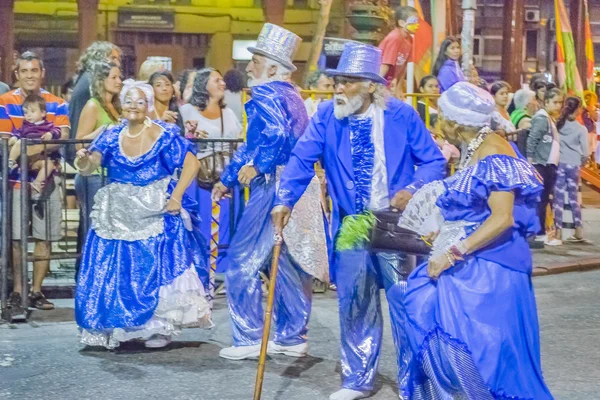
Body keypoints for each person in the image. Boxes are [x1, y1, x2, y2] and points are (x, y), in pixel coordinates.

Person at [273, 42, 446, 400]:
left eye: (348, 82)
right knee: (354, 300)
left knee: (404, 302)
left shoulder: (402, 114)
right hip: (352, 224)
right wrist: (284, 199)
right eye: (337, 81)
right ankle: (356, 379)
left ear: (370, 85)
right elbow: (302, 159)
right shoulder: (325, 116)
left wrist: (412, 188)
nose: (338, 88)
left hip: (394, 223)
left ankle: (416, 383)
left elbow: (433, 162)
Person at [399, 80, 554, 400]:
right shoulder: (475, 148)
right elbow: (479, 210)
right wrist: (444, 231)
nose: (437, 124)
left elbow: (502, 218)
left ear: (457, 123)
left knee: (490, 359)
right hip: (475, 259)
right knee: (431, 314)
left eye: (440, 117)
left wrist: (452, 252)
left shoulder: (496, 153)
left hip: (493, 268)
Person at [211, 23, 329, 361]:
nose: (248, 68)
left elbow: (270, 138)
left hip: (272, 185)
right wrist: (229, 177)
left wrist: (257, 167)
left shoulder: (265, 94)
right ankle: (292, 336)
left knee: (243, 260)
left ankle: (248, 335)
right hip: (297, 184)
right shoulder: (293, 95)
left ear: (273, 68)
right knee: (289, 262)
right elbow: (261, 143)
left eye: (256, 60)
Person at [74, 81, 211, 349]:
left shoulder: (164, 134)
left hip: (155, 206)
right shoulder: (111, 135)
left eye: (140, 102)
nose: (134, 107)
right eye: (129, 101)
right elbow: (90, 166)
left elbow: (191, 162)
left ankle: (157, 327)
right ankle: (116, 325)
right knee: (114, 266)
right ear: (121, 106)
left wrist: (177, 195)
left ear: (148, 106)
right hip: (118, 209)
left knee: (153, 265)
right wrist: (83, 159)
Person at [0, 51, 70, 312]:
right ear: (16, 74)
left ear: (42, 73)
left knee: (45, 236)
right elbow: (4, 142)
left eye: (34, 70)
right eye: (24, 71)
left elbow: (61, 138)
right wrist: (41, 149)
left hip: (47, 180)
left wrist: (25, 149)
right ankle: (18, 291)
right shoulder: (5, 102)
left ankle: (37, 290)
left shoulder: (58, 103)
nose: (30, 75)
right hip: (16, 181)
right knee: (17, 238)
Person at [179, 67, 243, 270]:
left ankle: (222, 265)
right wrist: (192, 136)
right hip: (200, 178)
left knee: (226, 221)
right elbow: (180, 143)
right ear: (203, 85)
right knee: (203, 221)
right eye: (217, 80)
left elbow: (238, 140)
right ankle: (200, 265)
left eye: (222, 80)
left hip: (225, 176)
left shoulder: (229, 113)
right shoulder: (187, 111)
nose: (222, 84)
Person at [74, 61, 122, 252]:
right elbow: (78, 142)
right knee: (95, 229)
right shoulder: (93, 106)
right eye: (114, 77)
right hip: (94, 176)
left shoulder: (116, 107)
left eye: (120, 77)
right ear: (101, 81)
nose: (119, 81)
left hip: (112, 177)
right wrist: (100, 132)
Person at [67, 41, 121, 164]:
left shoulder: (86, 78)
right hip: (85, 157)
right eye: (113, 58)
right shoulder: (90, 81)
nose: (117, 63)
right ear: (98, 57)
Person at [546, 97, 589, 246]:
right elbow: (585, 152)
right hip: (574, 164)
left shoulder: (557, 125)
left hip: (559, 163)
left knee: (558, 198)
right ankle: (578, 229)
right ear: (578, 110)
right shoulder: (581, 129)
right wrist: (580, 162)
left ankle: (558, 230)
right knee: (573, 198)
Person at [527, 88, 564, 242]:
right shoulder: (542, 118)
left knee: (544, 200)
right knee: (541, 200)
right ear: (546, 102)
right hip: (541, 165)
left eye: (560, 103)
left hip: (547, 164)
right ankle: (539, 233)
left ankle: (541, 232)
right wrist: (530, 163)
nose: (558, 106)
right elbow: (532, 140)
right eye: (555, 102)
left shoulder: (548, 118)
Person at [7, 95, 62, 195]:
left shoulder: (48, 126)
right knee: (19, 142)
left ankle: (37, 182)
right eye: (26, 113)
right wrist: (14, 137)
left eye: (32, 112)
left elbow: (58, 131)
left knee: (49, 165)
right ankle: (10, 162)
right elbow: (18, 132)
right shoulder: (25, 126)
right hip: (28, 157)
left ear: (43, 113)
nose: (28, 115)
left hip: (40, 158)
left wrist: (50, 134)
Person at [378, 6, 420, 99]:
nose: (417, 25)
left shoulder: (409, 39)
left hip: (388, 83)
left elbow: (403, 66)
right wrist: (377, 85)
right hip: (381, 81)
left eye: (417, 21)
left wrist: (398, 88)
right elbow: (385, 64)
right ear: (401, 23)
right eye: (413, 21)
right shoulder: (395, 37)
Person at [580, 90, 598, 164]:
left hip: (592, 131)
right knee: (586, 149)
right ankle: (588, 164)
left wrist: (590, 110)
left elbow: (596, 118)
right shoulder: (581, 108)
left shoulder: (594, 108)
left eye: (590, 97)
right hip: (585, 130)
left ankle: (593, 165)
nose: (589, 99)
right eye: (587, 97)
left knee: (593, 149)